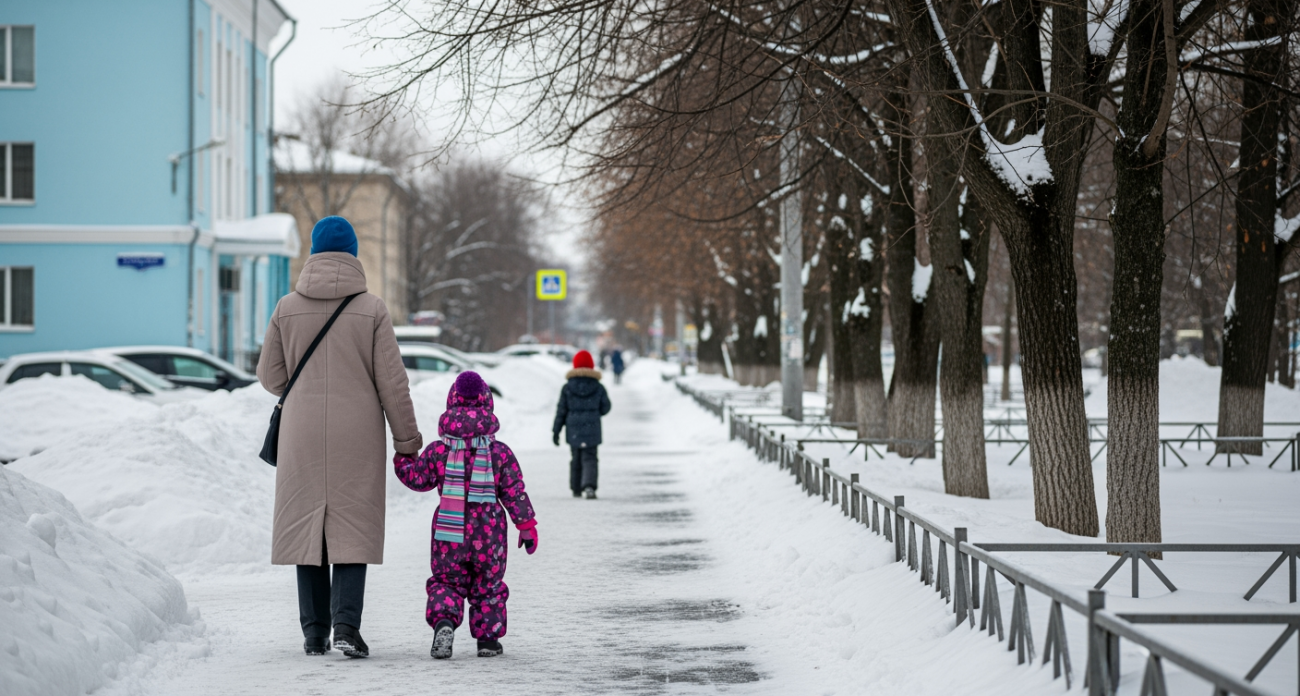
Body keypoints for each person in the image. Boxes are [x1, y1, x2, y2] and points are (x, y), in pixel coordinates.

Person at [257, 215, 422, 658]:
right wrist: (407, 441)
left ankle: (314, 634)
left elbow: (270, 376)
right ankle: (347, 626)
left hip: (301, 432)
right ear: (352, 253)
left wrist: (304, 387)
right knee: (352, 526)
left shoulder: (286, 307)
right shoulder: (372, 308)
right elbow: (393, 381)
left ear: (312, 252)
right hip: (358, 434)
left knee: (306, 530)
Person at [393, 371, 537, 659]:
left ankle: (444, 622)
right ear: (487, 404)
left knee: (447, 581)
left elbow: (418, 479)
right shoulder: (499, 452)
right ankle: (487, 640)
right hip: (489, 533)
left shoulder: (439, 451)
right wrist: (526, 524)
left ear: (451, 404)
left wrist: (403, 458)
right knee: (488, 586)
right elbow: (513, 489)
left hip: (449, 532)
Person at [552, 350, 611, 499]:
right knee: (590, 457)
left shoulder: (567, 387)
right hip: (592, 428)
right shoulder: (598, 386)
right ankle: (589, 486)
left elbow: (561, 411)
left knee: (576, 457)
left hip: (573, 428)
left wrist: (556, 431)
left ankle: (576, 488)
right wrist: (594, 413)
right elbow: (606, 407)